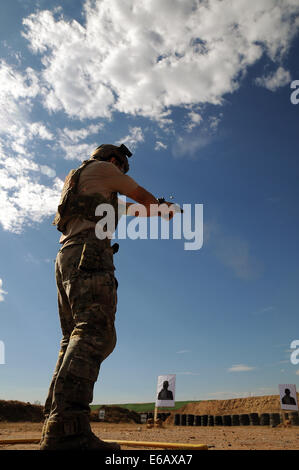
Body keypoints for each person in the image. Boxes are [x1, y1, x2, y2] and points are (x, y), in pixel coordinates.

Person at [40, 143, 175, 450]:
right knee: (96, 333)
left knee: (72, 339)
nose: (121, 172)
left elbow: (130, 208)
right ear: (115, 161)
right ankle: (68, 432)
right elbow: (142, 198)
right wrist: (162, 207)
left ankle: (54, 423)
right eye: (122, 167)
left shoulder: (80, 177)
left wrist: (159, 211)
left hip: (67, 255)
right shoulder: (106, 170)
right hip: (90, 253)